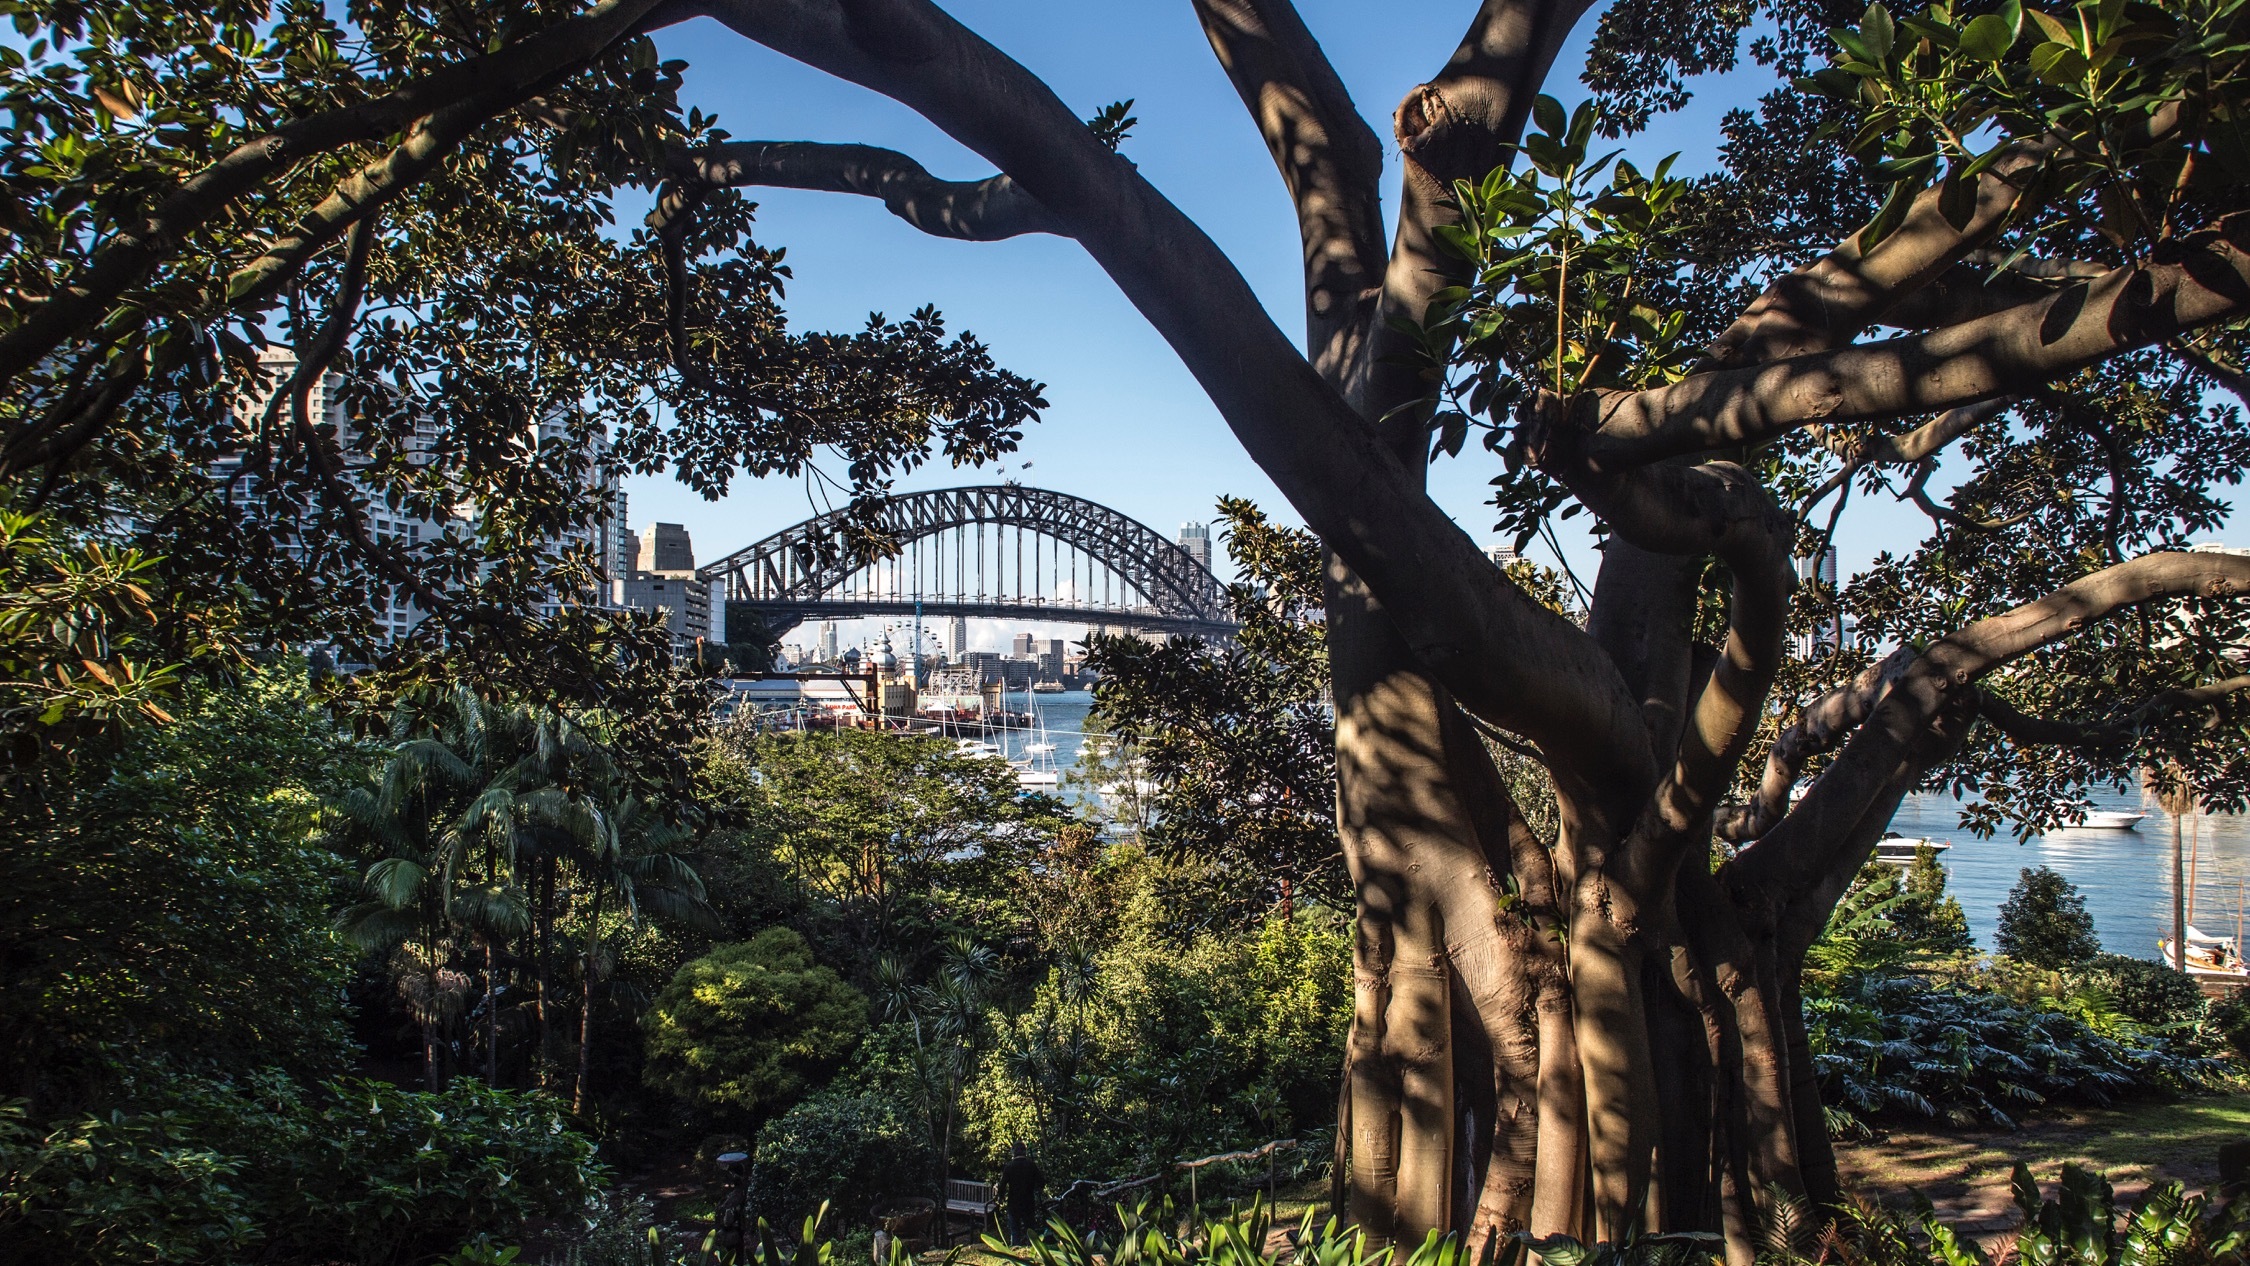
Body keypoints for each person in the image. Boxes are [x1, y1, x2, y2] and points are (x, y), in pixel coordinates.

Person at [999, 1141, 1044, 1246]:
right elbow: (1041, 1182)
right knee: (1030, 1230)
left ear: (1013, 1152)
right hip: (1028, 1202)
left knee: (1015, 1230)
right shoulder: (1031, 1165)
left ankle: (1016, 1252)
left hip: (1013, 1204)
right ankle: (1032, 1250)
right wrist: (1036, 1189)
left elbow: (1002, 1185)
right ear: (1024, 1152)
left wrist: (1000, 1197)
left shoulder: (1009, 1166)